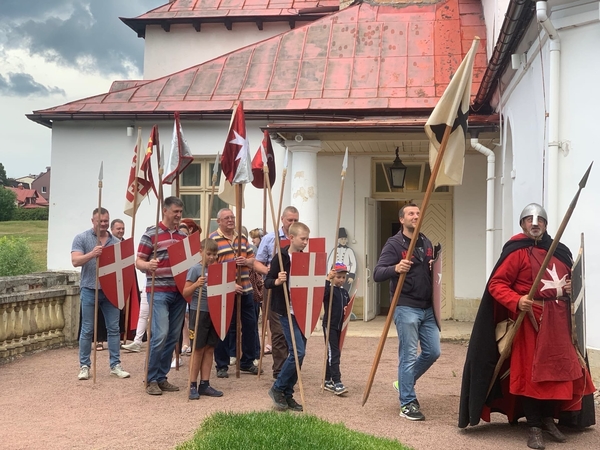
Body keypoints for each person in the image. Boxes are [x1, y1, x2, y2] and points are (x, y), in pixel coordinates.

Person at [458, 203, 596, 449]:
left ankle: (547, 419)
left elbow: (571, 283)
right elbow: (497, 284)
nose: (535, 224)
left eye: (540, 220)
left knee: (556, 374)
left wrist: (568, 289)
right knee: (531, 376)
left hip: (558, 323)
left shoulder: (559, 251)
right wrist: (517, 300)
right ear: (522, 224)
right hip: (529, 322)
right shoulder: (516, 252)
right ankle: (533, 424)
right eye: (529, 220)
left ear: (545, 224)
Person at [373, 203, 440, 421]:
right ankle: (407, 403)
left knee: (433, 352)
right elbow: (377, 273)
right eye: (411, 213)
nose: (416, 216)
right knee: (409, 355)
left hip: (427, 308)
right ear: (402, 219)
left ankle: (403, 383)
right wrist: (395, 268)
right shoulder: (394, 244)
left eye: (418, 213)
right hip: (406, 306)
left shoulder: (426, 242)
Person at [136, 196, 187, 395]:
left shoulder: (183, 237)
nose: (178, 215)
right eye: (175, 211)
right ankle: (150, 378)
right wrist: (148, 265)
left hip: (179, 291)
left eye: (180, 212)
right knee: (160, 335)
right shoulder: (151, 234)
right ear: (165, 211)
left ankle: (161, 377)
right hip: (158, 291)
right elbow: (138, 261)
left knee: (173, 336)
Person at [71, 207, 130, 380]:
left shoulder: (116, 243)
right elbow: (75, 261)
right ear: (93, 221)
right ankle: (84, 366)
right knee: (87, 329)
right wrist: (92, 254)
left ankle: (115, 365)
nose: (103, 224)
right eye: (100, 221)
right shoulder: (81, 238)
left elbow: (124, 268)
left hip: (111, 290)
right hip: (90, 288)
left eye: (106, 221)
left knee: (114, 329)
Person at [265, 221, 311, 412]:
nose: (306, 242)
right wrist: (277, 280)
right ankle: (277, 388)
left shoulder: (305, 259)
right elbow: (267, 281)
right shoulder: (281, 257)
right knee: (297, 352)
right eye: (303, 239)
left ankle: (287, 393)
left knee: (300, 355)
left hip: (303, 311)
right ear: (291, 238)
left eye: (307, 239)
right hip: (286, 310)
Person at [209, 208, 260, 377]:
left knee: (250, 326)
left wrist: (246, 260)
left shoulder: (242, 238)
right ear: (219, 221)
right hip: (224, 292)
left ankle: (247, 361)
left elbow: (254, 261)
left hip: (245, 289)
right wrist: (230, 285)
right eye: (226, 218)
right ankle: (222, 365)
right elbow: (211, 268)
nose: (230, 220)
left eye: (232, 217)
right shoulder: (213, 239)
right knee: (222, 327)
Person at [254, 206, 299, 379]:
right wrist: (272, 273)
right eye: (290, 220)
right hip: (274, 288)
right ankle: (279, 371)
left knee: (294, 329)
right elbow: (257, 263)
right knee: (278, 330)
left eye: (296, 220)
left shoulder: (300, 239)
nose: (293, 223)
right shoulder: (270, 238)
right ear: (282, 219)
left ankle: (291, 365)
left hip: (295, 289)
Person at [183, 238, 226, 400]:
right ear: (200, 252)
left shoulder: (218, 270)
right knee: (198, 348)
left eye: (215, 254)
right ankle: (192, 384)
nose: (212, 257)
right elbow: (185, 292)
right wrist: (196, 285)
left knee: (209, 348)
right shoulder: (195, 270)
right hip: (198, 311)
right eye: (209, 254)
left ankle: (205, 384)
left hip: (213, 311)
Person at [322, 262, 351, 396]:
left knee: (333, 353)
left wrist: (346, 309)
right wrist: (328, 279)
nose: (341, 280)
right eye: (338, 277)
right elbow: (322, 295)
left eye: (343, 277)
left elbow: (347, 306)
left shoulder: (345, 293)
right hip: (330, 325)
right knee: (334, 353)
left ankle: (327, 379)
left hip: (340, 326)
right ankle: (337, 381)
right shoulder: (329, 290)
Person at [249, 228, 267, 356]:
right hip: (255, 289)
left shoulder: (255, 250)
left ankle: (258, 350)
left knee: (264, 319)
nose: (253, 240)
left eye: (254, 238)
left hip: (260, 287)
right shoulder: (254, 249)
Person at [327, 227, 358, 292]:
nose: (343, 241)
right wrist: (329, 276)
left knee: (345, 292)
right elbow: (329, 263)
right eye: (341, 239)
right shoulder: (334, 250)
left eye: (345, 239)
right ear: (338, 240)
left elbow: (353, 263)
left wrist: (351, 276)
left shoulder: (349, 251)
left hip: (346, 275)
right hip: (336, 275)